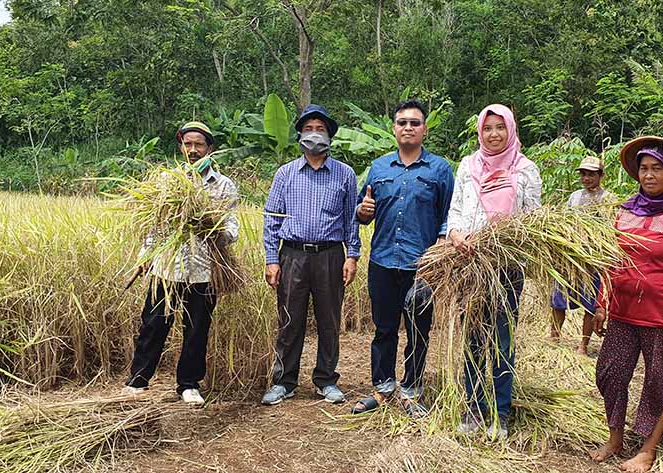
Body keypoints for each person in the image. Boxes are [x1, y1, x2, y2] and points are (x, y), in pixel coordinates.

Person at [589, 136, 663, 473]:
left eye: (657, 168)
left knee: (657, 380)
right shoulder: (625, 211)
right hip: (624, 310)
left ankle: (647, 450)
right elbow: (612, 261)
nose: (649, 175)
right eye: (644, 169)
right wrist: (601, 304)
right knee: (610, 372)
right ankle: (615, 438)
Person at [123, 121, 239, 406]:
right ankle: (138, 379)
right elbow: (156, 226)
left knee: (197, 328)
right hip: (167, 267)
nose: (193, 150)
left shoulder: (223, 185)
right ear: (181, 148)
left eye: (199, 144)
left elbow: (232, 229)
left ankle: (188, 384)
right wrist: (144, 258)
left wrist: (213, 229)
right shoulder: (168, 182)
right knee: (153, 323)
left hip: (203, 270)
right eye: (187, 144)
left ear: (210, 149)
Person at [351, 99, 455, 417]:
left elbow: (448, 217)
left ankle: (411, 390)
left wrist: (438, 252)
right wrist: (362, 211)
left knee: (418, 331)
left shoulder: (440, 170)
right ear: (394, 128)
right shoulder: (379, 168)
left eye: (414, 123)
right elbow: (362, 211)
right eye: (402, 122)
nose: (407, 127)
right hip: (382, 262)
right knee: (383, 329)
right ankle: (383, 389)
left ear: (424, 129)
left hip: (421, 266)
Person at [447, 104, 542, 440]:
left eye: (500, 127)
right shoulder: (467, 166)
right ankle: (473, 407)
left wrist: (508, 240)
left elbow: (534, 220)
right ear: (480, 132)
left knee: (502, 340)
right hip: (470, 265)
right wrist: (456, 235)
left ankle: (500, 413)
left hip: (506, 267)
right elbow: (456, 211)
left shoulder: (525, 169)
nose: (494, 134)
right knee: (473, 338)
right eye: (488, 128)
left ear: (511, 130)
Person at [261, 104, 360, 406]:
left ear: (329, 135)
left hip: (330, 255)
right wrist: (271, 258)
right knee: (290, 320)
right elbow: (271, 217)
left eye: (320, 129)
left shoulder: (345, 174)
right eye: (309, 128)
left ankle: (326, 380)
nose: (314, 134)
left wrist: (352, 255)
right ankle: (284, 382)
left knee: (329, 320)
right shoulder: (285, 174)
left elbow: (351, 219)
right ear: (300, 134)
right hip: (292, 255)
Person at [549, 155, 614, 355]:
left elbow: (609, 228)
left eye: (591, 174)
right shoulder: (575, 197)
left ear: (601, 175)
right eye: (584, 174)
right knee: (558, 299)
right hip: (572, 257)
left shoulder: (608, 199)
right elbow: (565, 221)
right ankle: (554, 337)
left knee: (590, 302)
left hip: (593, 259)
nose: (587, 178)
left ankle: (583, 345)